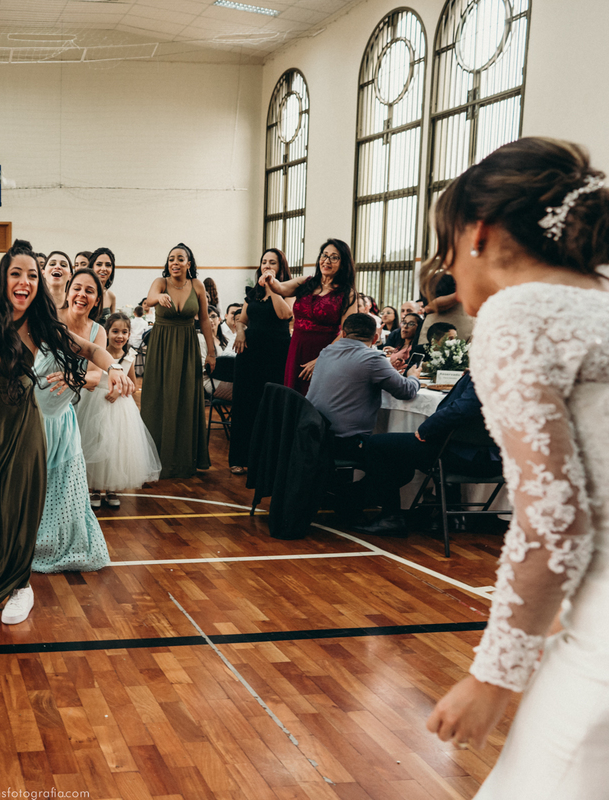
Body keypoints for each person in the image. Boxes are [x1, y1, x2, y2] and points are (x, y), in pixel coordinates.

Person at [419, 139, 609, 799]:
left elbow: (557, 523)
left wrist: (493, 680)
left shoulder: (516, 316)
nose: (446, 270)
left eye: (445, 249)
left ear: (478, 233)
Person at [0, 176, 133, 626]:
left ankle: (19, 586)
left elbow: (90, 350)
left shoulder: (41, 326)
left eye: (32, 275)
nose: (24, 282)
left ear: (38, 282)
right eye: (16, 273)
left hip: (19, 428)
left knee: (15, 510)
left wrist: (115, 366)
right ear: (4, 278)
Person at [32, 267, 111, 571]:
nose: (82, 294)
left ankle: (59, 546)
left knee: (65, 487)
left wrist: (73, 377)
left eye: (89, 291)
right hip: (35, 412)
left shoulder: (96, 331)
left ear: (96, 300)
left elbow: (95, 374)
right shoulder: (49, 322)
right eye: (77, 288)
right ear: (67, 292)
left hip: (64, 415)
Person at [354, 371, 498, 536]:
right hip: (499, 459)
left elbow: (464, 408)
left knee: (377, 445)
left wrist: (426, 429)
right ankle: (452, 516)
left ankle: (389, 516)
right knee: (408, 448)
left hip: (472, 458)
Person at [140, 243, 218, 478]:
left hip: (187, 346)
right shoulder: (160, 282)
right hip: (161, 347)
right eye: (171, 258)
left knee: (186, 399)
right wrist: (159, 296)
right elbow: (149, 298)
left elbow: (204, 320)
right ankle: (154, 459)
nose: (175, 262)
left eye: (180, 258)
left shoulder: (197, 285)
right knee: (159, 399)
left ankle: (184, 460)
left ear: (188, 264)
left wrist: (211, 352)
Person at [305, 313, 421, 461]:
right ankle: (355, 486)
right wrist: (413, 376)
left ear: (343, 334)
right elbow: (406, 391)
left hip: (315, 435)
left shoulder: (326, 351)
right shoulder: (372, 358)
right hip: (346, 442)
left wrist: (387, 369)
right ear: (375, 338)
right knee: (402, 464)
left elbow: (355, 370)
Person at [78, 311, 160, 507]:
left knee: (116, 448)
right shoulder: (98, 353)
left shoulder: (130, 356)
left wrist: (119, 391)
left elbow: (132, 384)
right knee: (96, 444)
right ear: (106, 332)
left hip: (120, 408)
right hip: (95, 402)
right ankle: (95, 489)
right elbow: (91, 377)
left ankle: (112, 489)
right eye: (115, 331)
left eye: (124, 332)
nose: (119, 336)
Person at [265, 239, 359, 395]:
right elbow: (280, 288)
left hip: (325, 352)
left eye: (334, 257)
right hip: (297, 348)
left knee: (315, 399)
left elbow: (347, 333)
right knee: (293, 397)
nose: (327, 261)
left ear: (343, 263)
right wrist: (270, 279)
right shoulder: (305, 282)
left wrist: (321, 359)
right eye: (324, 255)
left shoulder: (347, 293)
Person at [229, 248, 293, 475]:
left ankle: (267, 459)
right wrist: (239, 331)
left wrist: (273, 287)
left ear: (280, 267)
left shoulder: (289, 289)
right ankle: (240, 456)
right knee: (245, 404)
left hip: (275, 354)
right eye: (264, 262)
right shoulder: (253, 292)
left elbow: (285, 315)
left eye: (272, 262)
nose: (266, 265)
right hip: (249, 353)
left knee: (270, 405)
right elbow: (242, 319)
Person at [420, 272, 474, 341]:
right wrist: (460, 294)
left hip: (467, 336)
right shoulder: (441, 278)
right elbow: (429, 307)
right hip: (440, 338)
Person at [89, 247, 117, 317]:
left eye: (108, 265)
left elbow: (112, 325)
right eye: (99, 264)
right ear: (92, 267)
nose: (103, 269)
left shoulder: (111, 296)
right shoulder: (83, 292)